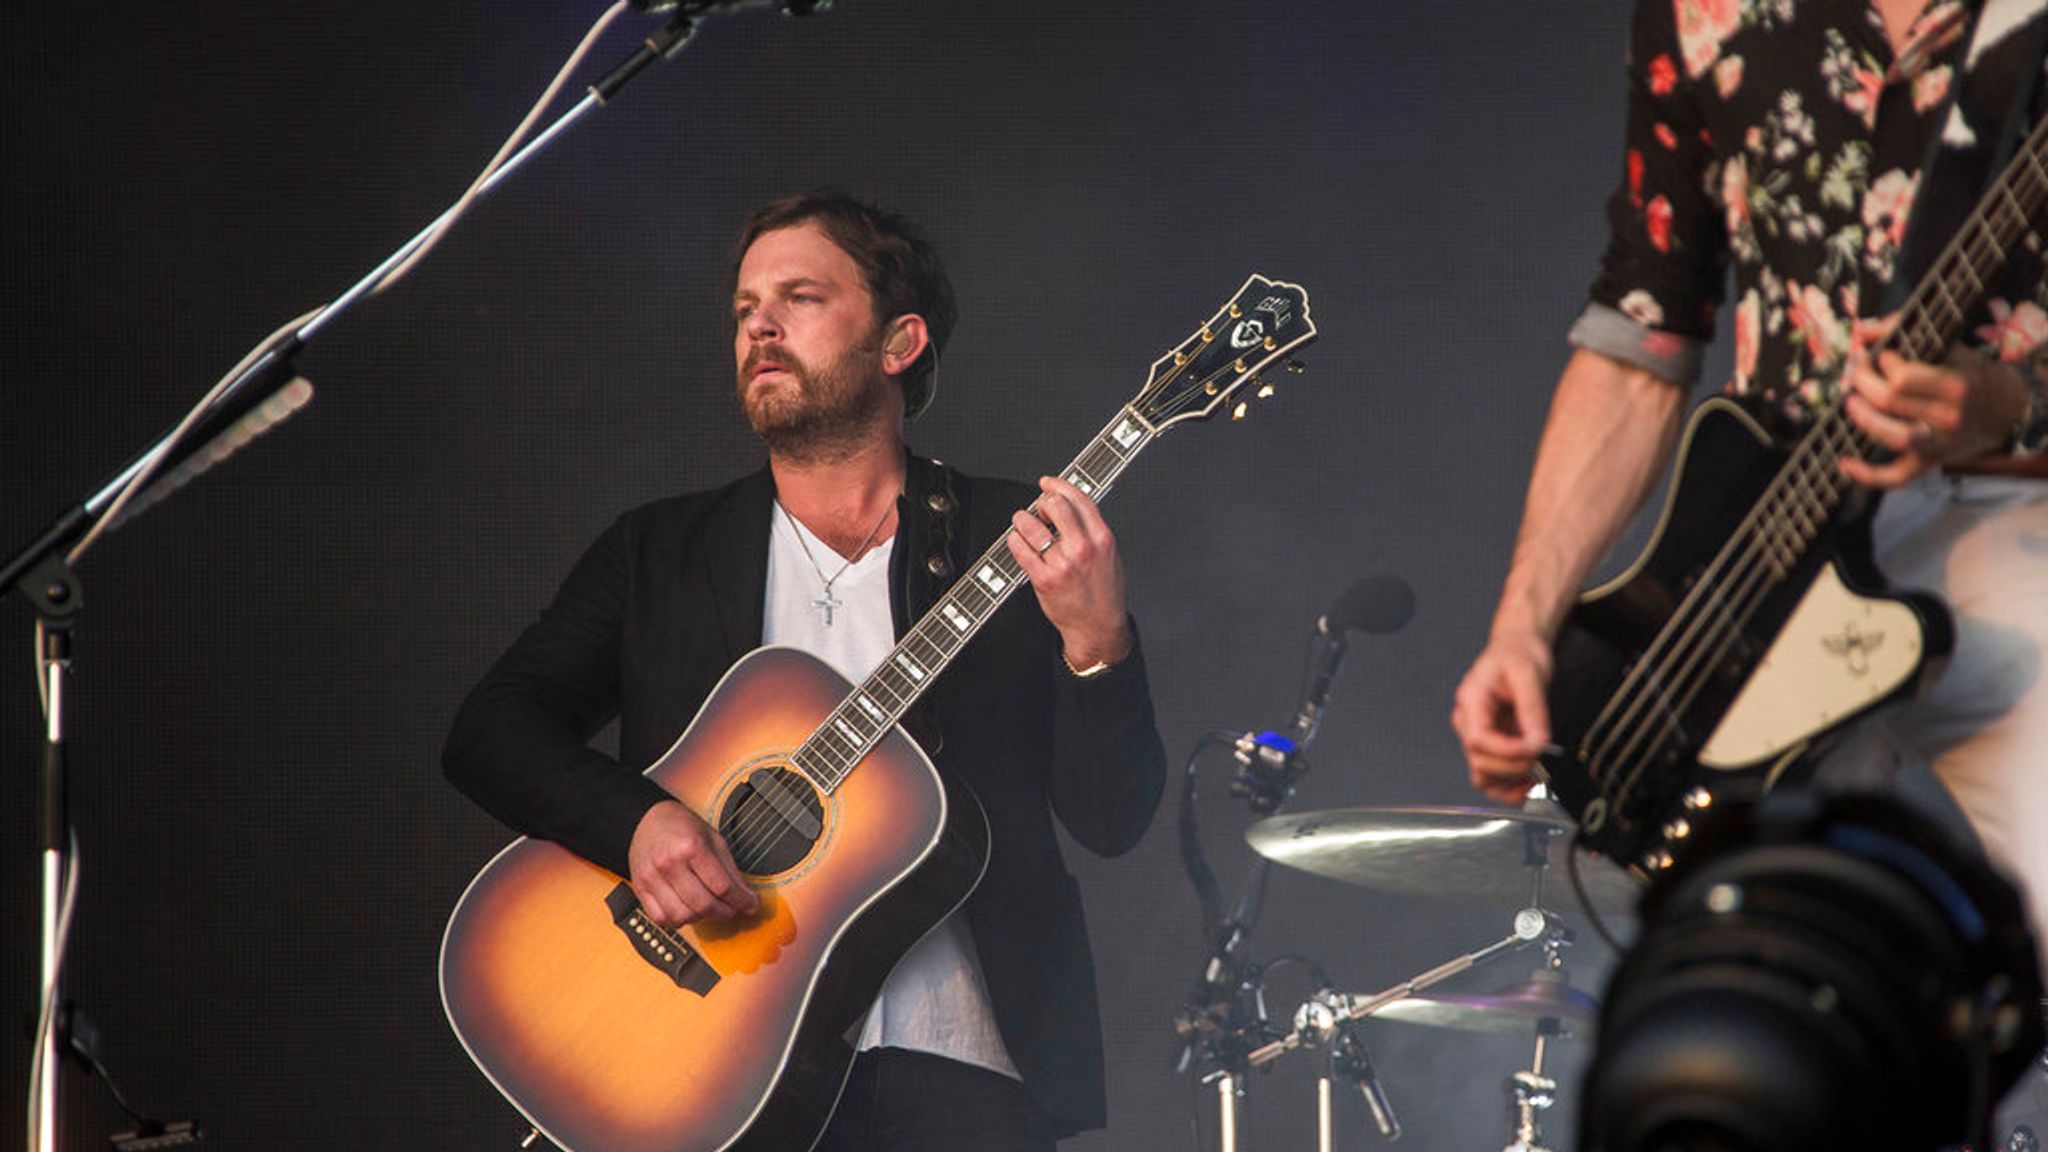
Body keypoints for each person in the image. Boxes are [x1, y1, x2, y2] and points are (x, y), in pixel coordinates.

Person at [444, 188, 1167, 1150]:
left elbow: (1114, 820)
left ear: (899, 344)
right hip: (710, 1057)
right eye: (746, 310)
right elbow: (490, 732)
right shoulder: (662, 552)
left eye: (801, 298)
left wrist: (1095, 642)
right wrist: (640, 822)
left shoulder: (1016, 544)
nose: (762, 328)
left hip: (958, 1069)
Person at [1450, 0, 2048, 961]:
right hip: (1764, 566)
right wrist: (1521, 628)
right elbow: (1640, 335)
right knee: (1766, 1008)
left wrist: (2011, 400)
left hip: (2017, 519)